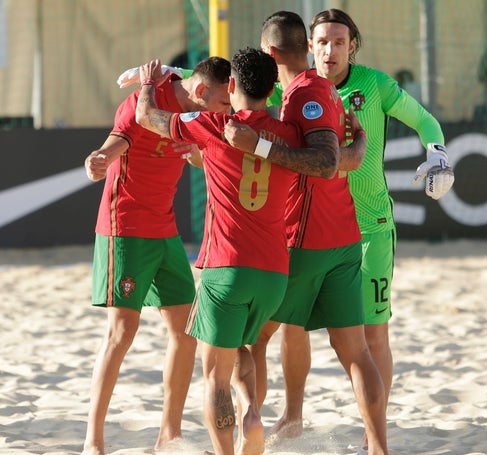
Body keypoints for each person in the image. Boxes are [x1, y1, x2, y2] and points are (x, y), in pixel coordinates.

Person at [227, 8, 454, 452]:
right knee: (294, 328)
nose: (330, 49)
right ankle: (293, 415)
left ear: (353, 46)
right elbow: (233, 77)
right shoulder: (287, 84)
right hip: (310, 229)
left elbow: (426, 120)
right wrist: (169, 75)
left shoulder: (375, 86)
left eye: (339, 41)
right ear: (308, 47)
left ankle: (375, 437)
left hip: (369, 228)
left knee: (372, 335)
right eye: (322, 42)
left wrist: (439, 154)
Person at [135, 47, 347, 455]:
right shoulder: (288, 134)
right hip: (273, 273)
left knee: (214, 375)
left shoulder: (215, 124)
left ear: (230, 86)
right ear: (272, 89)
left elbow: (149, 118)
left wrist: (149, 83)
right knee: (244, 349)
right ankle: (252, 410)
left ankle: (227, 451)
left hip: (226, 268)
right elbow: (325, 160)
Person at [223, 10, 389, 455]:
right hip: (343, 240)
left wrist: (256, 145)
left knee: (248, 337)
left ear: (272, 53)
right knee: (356, 352)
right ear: (307, 46)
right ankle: (378, 448)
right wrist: (358, 146)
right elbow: (342, 157)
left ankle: (248, 436)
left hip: (305, 241)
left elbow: (323, 161)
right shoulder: (327, 91)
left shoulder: (303, 95)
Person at [81, 56, 232, 455]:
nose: (227, 112)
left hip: (165, 229)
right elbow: (116, 141)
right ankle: (93, 441)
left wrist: (195, 151)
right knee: (121, 333)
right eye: (222, 104)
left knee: (186, 332)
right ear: (201, 93)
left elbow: (204, 157)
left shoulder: (198, 109)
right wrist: (98, 160)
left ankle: (169, 434)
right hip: (124, 228)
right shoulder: (142, 102)